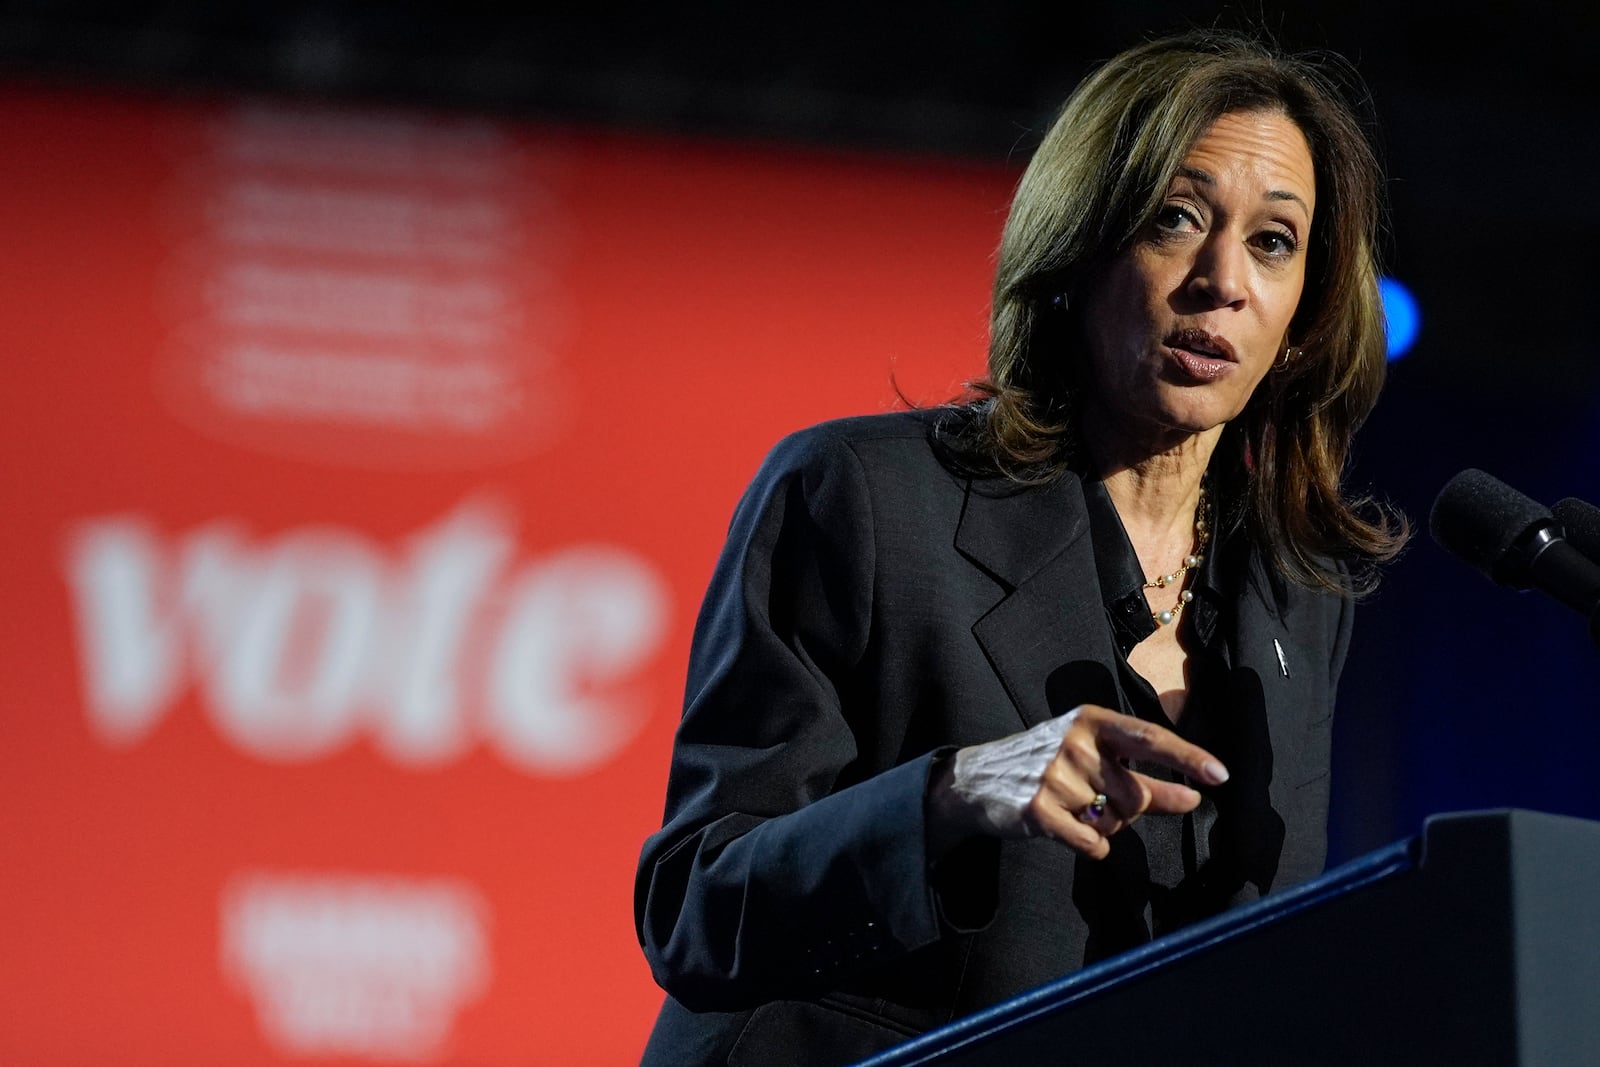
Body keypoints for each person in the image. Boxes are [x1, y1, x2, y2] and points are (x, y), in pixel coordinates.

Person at [634, 29, 1407, 1067]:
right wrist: (950, 791)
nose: (1221, 279)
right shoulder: (861, 497)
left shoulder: (1295, 595)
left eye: (1273, 241)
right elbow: (696, 908)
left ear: (1305, 315)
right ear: (1080, 250)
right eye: (1175, 219)